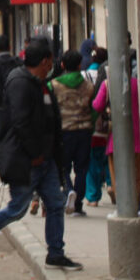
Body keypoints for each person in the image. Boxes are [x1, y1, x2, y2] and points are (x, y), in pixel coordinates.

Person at [0, 40, 82, 271]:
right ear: (45, 60)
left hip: (45, 158)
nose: (52, 65)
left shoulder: (41, 83)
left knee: (55, 204)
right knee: (17, 208)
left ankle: (56, 253)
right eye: (50, 61)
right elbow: (21, 123)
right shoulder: (20, 82)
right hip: (28, 160)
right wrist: (34, 154)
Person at [49, 49, 94, 216]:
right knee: (82, 168)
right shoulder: (88, 86)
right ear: (79, 65)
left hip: (64, 132)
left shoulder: (53, 85)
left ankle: (68, 191)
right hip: (84, 131)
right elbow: (94, 109)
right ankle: (79, 203)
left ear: (62, 65)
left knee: (63, 167)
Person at [92, 61, 140, 213]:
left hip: (116, 138)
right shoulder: (138, 84)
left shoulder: (108, 85)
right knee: (137, 176)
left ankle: (124, 207)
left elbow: (97, 105)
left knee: (118, 175)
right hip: (138, 137)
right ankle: (138, 205)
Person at [83, 47, 112, 206]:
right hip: (111, 125)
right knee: (109, 158)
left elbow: (95, 104)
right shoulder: (109, 74)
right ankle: (111, 184)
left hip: (94, 126)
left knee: (93, 160)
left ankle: (93, 197)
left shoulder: (84, 75)